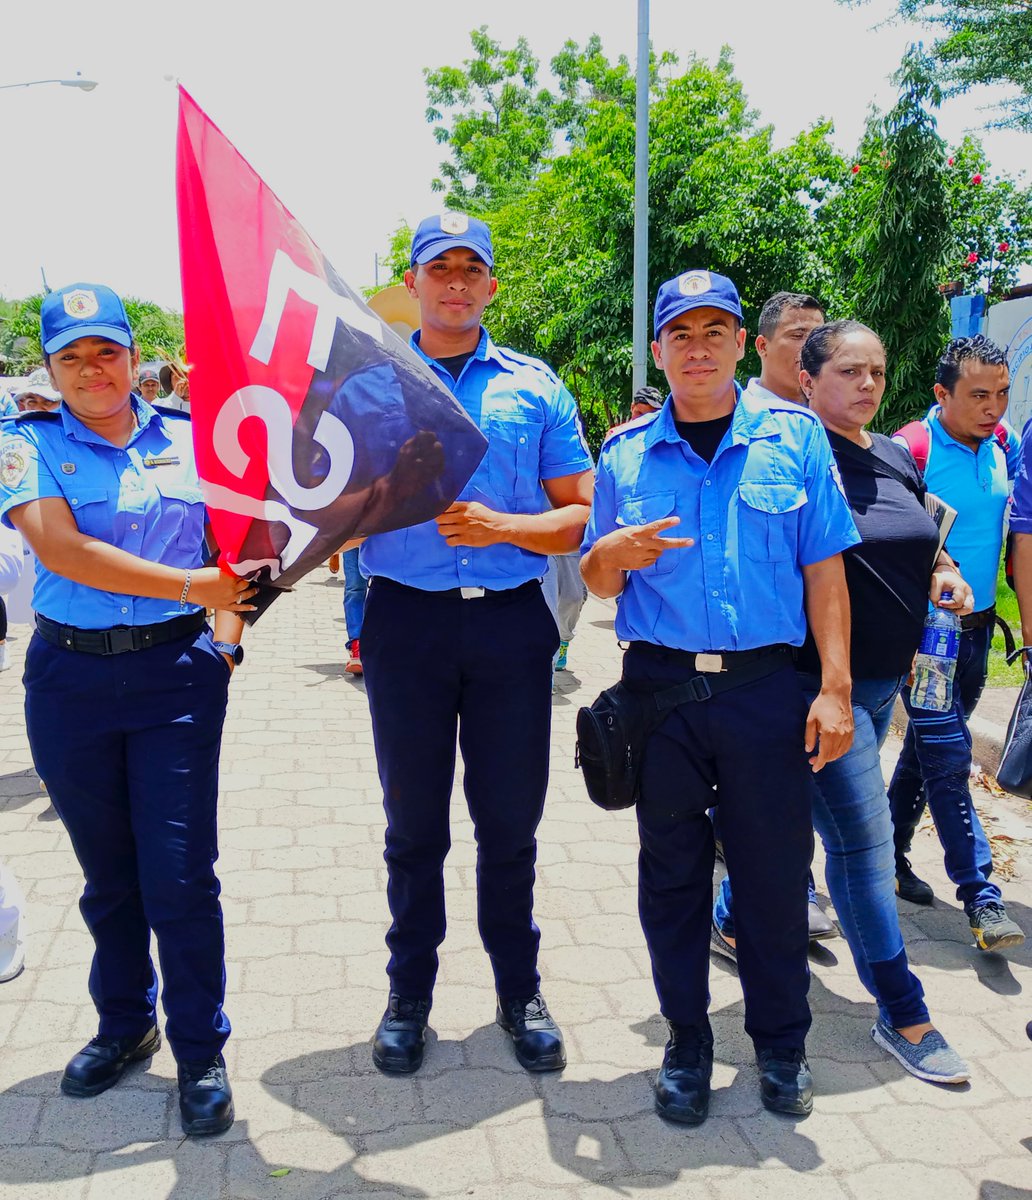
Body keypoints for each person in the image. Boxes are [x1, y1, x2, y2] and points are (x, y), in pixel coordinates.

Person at [581, 269, 859, 1125]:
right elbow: (593, 581)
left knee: (774, 881)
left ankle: (781, 1045)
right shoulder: (625, 455)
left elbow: (826, 574)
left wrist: (837, 690)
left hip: (767, 691)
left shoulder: (796, 439)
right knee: (670, 879)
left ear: (742, 343)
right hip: (661, 698)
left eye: (715, 332)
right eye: (680, 334)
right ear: (659, 349)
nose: (697, 348)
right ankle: (687, 1039)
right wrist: (614, 552)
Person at [0, 282, 258, 1137]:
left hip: (176, 680)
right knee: (109, 877)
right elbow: (63, 550)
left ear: (135, 358)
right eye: (71, 357)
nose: (91, 371)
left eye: (106, 352)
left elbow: (248, 545)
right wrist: (196, 584)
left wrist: (224, 635)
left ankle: (200, 1046)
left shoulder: (196, 438)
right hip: (69, 684)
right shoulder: (21, 442)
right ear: (51, 369)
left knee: (180, 876)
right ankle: (123, 1022)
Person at [357, 214, 594, 1076]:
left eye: (471, 270)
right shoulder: (374, 383)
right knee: (413, 827)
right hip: (406, 624)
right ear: (411, 283)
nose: (455, 283)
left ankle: (518, 991)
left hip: (507, 626)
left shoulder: (534, 387)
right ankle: (407, 995)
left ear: (492, 285)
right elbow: (326, 503)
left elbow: (580, 511)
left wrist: (507, 525)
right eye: (438, 269)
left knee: (510, 823)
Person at [711, 320, 971, 1084]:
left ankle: (731, 913)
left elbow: (924, 533)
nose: (866, 386)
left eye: (878, 373)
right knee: (861, 846)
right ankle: (904, 1009)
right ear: (806, 378)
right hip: (822, 689)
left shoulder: (889, 451)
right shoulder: (790, 456)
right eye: (849, 373)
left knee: (795, 831)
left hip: (889, 680)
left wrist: (942, 572)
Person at [887, 336, 1024, 952]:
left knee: (925, 747)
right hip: (925, 637)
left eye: (1001, 394)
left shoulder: (1005, 448)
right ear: (941, 394)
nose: (993, 407)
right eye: (978, 395)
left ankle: (886, 853)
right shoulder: (908, 450)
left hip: (979, 633)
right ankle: (981, 895)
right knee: (949, 755)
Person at [713, 290, 835, 943]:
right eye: (797, 337)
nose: (812, 351)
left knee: (794, 795)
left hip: (829, 651)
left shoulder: (828, 424)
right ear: (759, 346)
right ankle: (747, 911)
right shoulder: (734, 420)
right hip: (761, 660)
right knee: (763, 796)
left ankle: (789, 890)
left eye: (823, 338)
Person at [341, 546, 368, 674]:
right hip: (355, 533)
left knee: (355, 589)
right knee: (354, 588)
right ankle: (357, 646)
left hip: (385, 535)